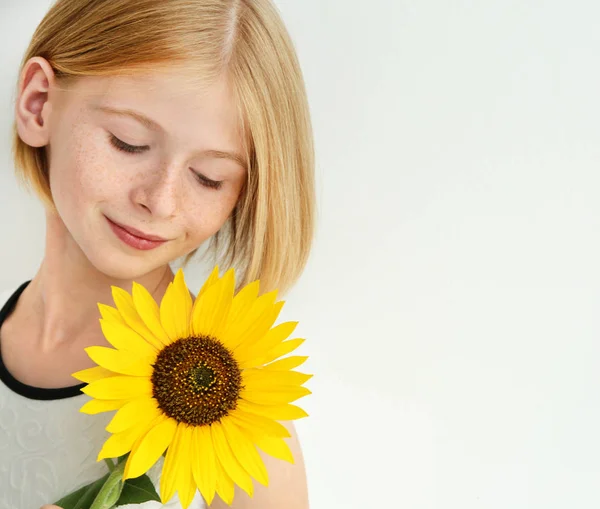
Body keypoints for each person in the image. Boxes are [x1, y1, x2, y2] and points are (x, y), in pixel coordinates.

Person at [0, 0, 315, 508]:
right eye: (128, 143)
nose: (160, 201)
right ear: (38, 104)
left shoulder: (239, 439)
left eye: (209, 177)